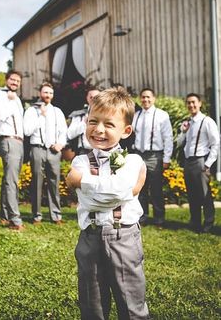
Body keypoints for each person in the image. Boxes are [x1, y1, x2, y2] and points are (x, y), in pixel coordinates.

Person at [66, 87, 150, 320]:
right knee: (92, 303)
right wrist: (119, 190)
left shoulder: (133, 160)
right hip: (90, 237)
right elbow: (97, 198)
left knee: (131, 301)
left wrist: (83, 181)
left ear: (126, 130)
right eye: (93, 121)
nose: (99, 129)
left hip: (123, 237)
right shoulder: (81, 161)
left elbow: (118, 192)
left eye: (109, 124)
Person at [24, 82, 67, 224]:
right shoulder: (31, 111)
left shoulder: (57, 111)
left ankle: (56, 215)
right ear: (40, 93)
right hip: (37, 148)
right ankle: (37, 216)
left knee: (54, 182)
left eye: (50, 93)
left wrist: (60, 144)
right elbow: (27, 131)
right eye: (45, 92)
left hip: (54, 150)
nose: (48, 95)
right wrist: (41, 116)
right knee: (37, 182)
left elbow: (63, 131)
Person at [177, 93, 220, 233]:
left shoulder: (207, 121)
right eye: (188, 103)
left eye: (194, 102)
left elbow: (215, 144)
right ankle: (194, 222)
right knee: (192, 194)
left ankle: (208, 223)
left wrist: (208, 164)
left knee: (204, 194)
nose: (191, 105)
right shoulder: (187, 122)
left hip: (201, 161)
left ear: (200, 103)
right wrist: (183, 132)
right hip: (188, 162)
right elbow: (179, 143)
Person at [132, 88, 173, 227]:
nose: (146, 100)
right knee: (140, 188)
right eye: (143, 97)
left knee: (156, 189)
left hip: (154, 156)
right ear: (140, 99)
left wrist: (167, 159)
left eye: (148, 97)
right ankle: (142, 217)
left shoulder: (162, 115)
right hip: (139, 155)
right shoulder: (136, 115)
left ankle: (159, 219)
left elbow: (168, 138)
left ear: (154, 98)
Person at [0, 70, 24, 230]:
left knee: (9, 181)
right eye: (12, 79)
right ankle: (15, 219)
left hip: (19, 141)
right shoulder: (0, 95)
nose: (15, 83)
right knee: (11, 181)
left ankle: (5, 217)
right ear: (6, 80)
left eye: (18, 81)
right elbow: (0, 115)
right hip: (8, 139)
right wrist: (10, 102)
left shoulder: (16, 98)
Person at [67, 86, 101, 155]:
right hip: (84, 152)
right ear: (87, 98)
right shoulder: (80, 115)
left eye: (96, 97)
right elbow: (69, 135)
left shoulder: (107, 115)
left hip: (102, 152)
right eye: (91, 97)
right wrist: (84, 123)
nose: (94, 100)